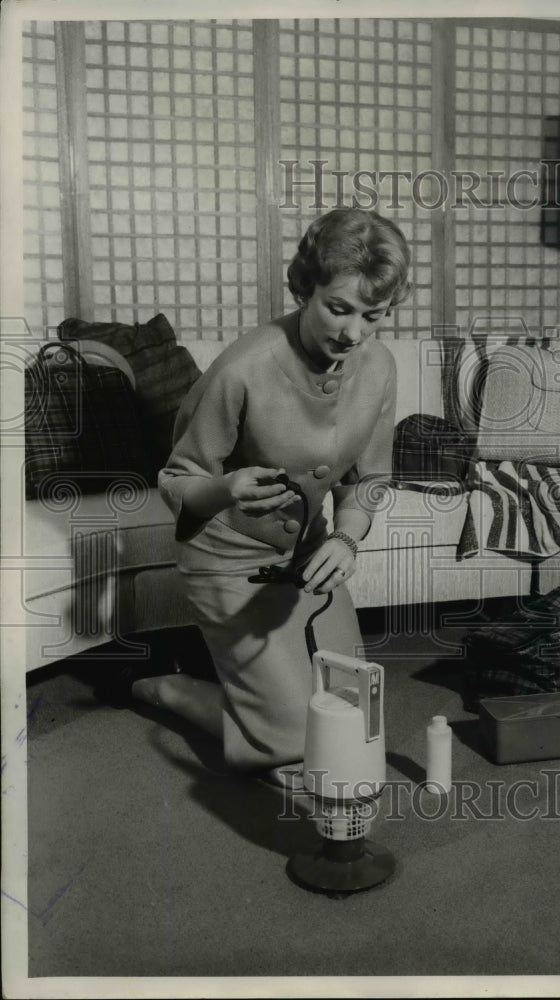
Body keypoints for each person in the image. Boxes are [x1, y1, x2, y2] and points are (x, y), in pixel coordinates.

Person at [130, 207, 411, 786]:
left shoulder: (379, 368)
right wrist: (225, 487)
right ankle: (178, 690)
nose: (352, 334)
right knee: (295, 739)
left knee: (354, 714)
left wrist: (348, 537)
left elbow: (369, 480)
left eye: (372, 316)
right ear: (305, 288)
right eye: (338, 309)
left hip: (308, 559)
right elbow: (175, 478)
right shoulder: (245, 366)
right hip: (226, 561)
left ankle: (250, 690)